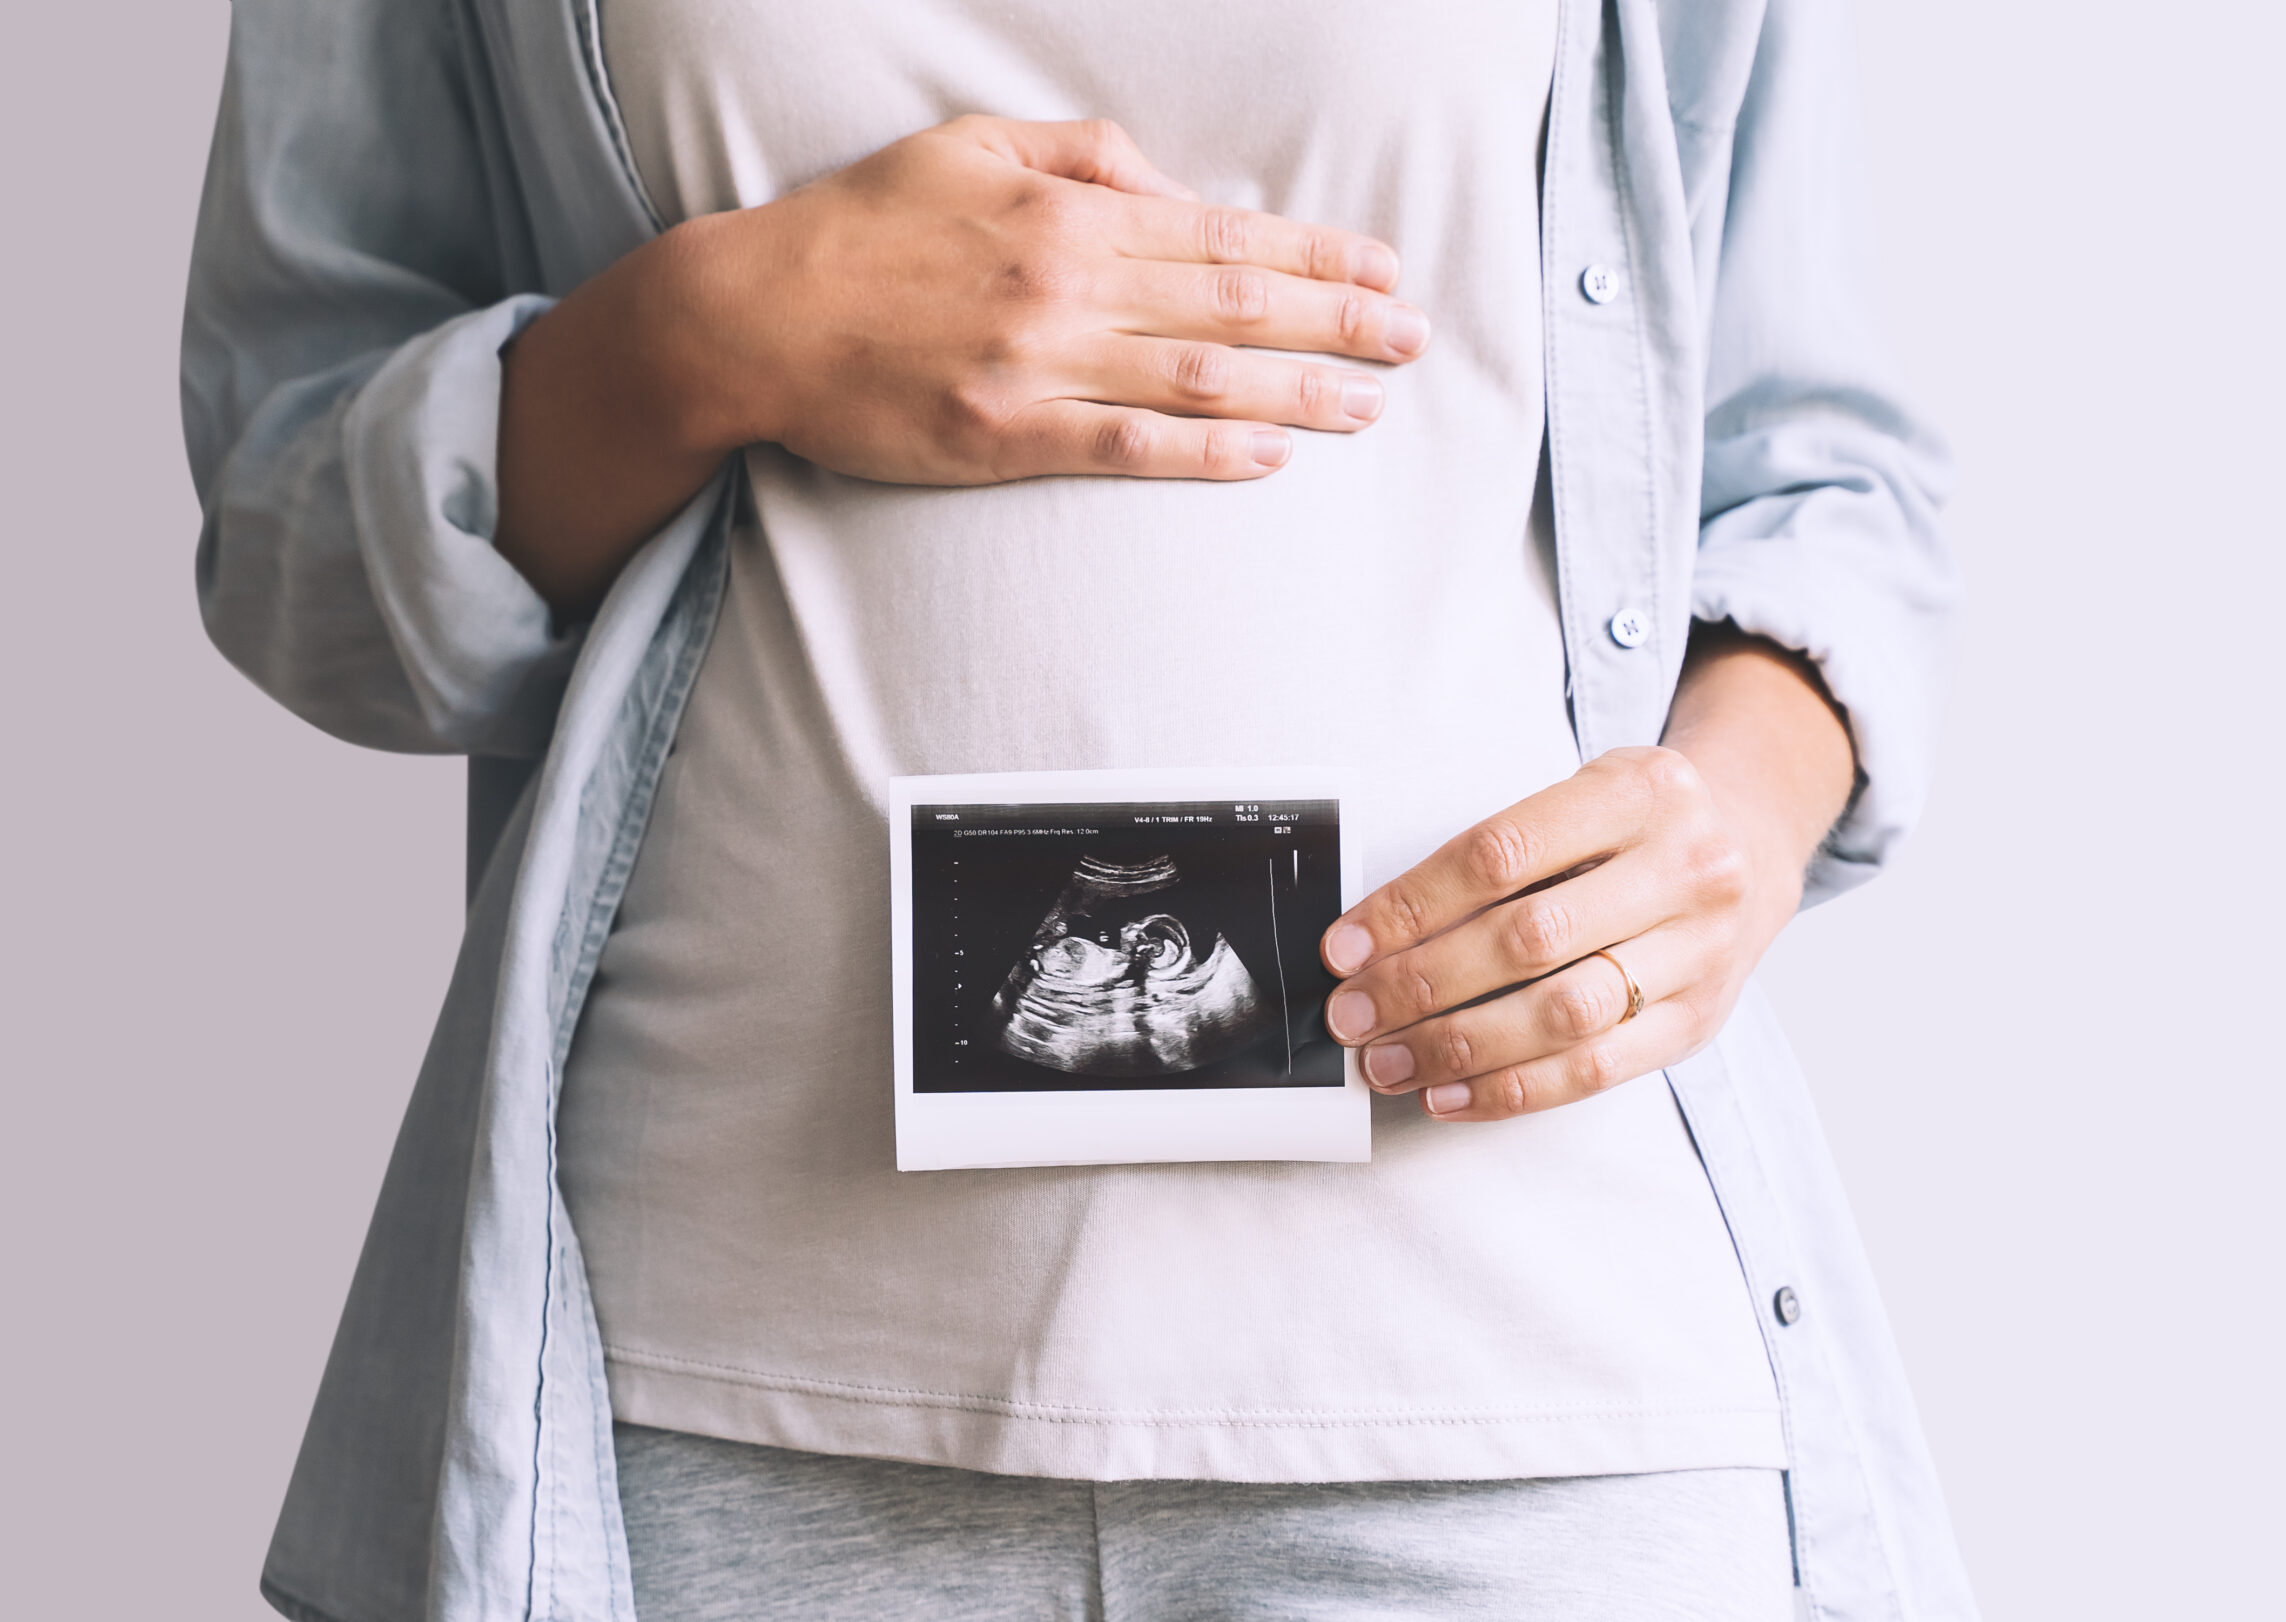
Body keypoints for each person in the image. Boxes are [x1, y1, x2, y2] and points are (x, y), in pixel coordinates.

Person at [183, 0, 1975, 1617]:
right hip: (724, 1391)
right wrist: (708, 335)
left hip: (1520, 1374)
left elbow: (1824, 480)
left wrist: (1733, 813)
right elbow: (293, 535)